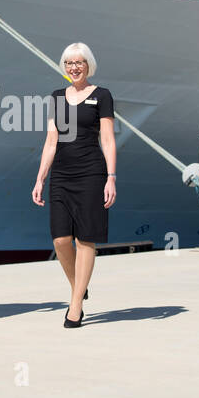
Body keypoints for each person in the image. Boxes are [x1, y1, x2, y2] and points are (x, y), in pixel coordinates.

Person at [31, 43, 116, 329]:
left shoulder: (102, 96)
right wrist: (41, 177)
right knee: (60, 240)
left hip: (92, 173)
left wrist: (111, 177)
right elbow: (51, 140)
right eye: (69, 63)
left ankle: (75, 305)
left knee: (85, 239)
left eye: (79, 62)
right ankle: (80, 286)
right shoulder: (57, 97)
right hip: (62, 175)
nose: (74, 67)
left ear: (88, 64)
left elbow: (107, 139)